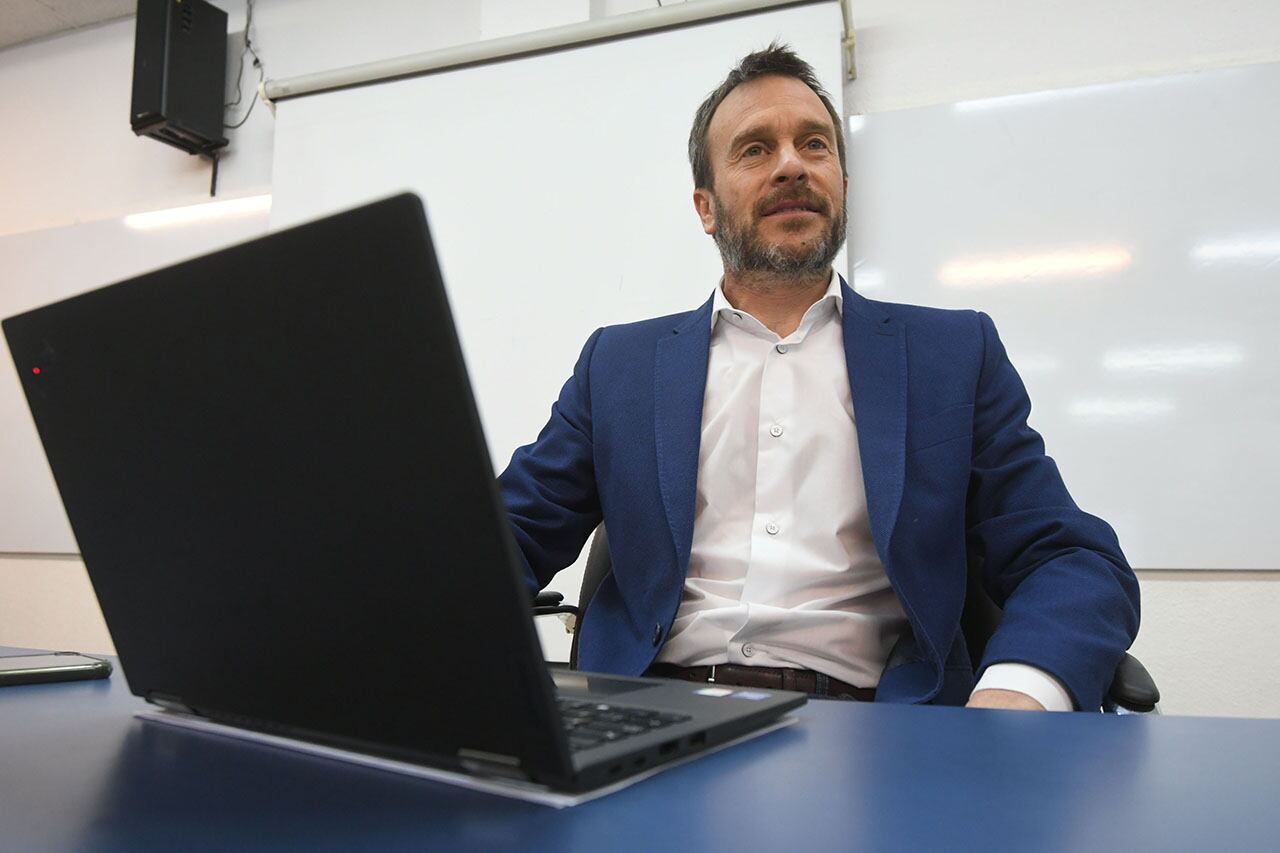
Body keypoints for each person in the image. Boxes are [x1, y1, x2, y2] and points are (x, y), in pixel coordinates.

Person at [499, 44, 1139, 711]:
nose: (791, 165)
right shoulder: (619, 365)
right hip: (653, 717)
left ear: (842, 184)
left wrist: (1019, 691)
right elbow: (505, 537)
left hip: (875, 733)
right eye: (754, 149)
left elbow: (1069, 557)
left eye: (814, 145)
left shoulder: (951, 354)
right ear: (706, 207)